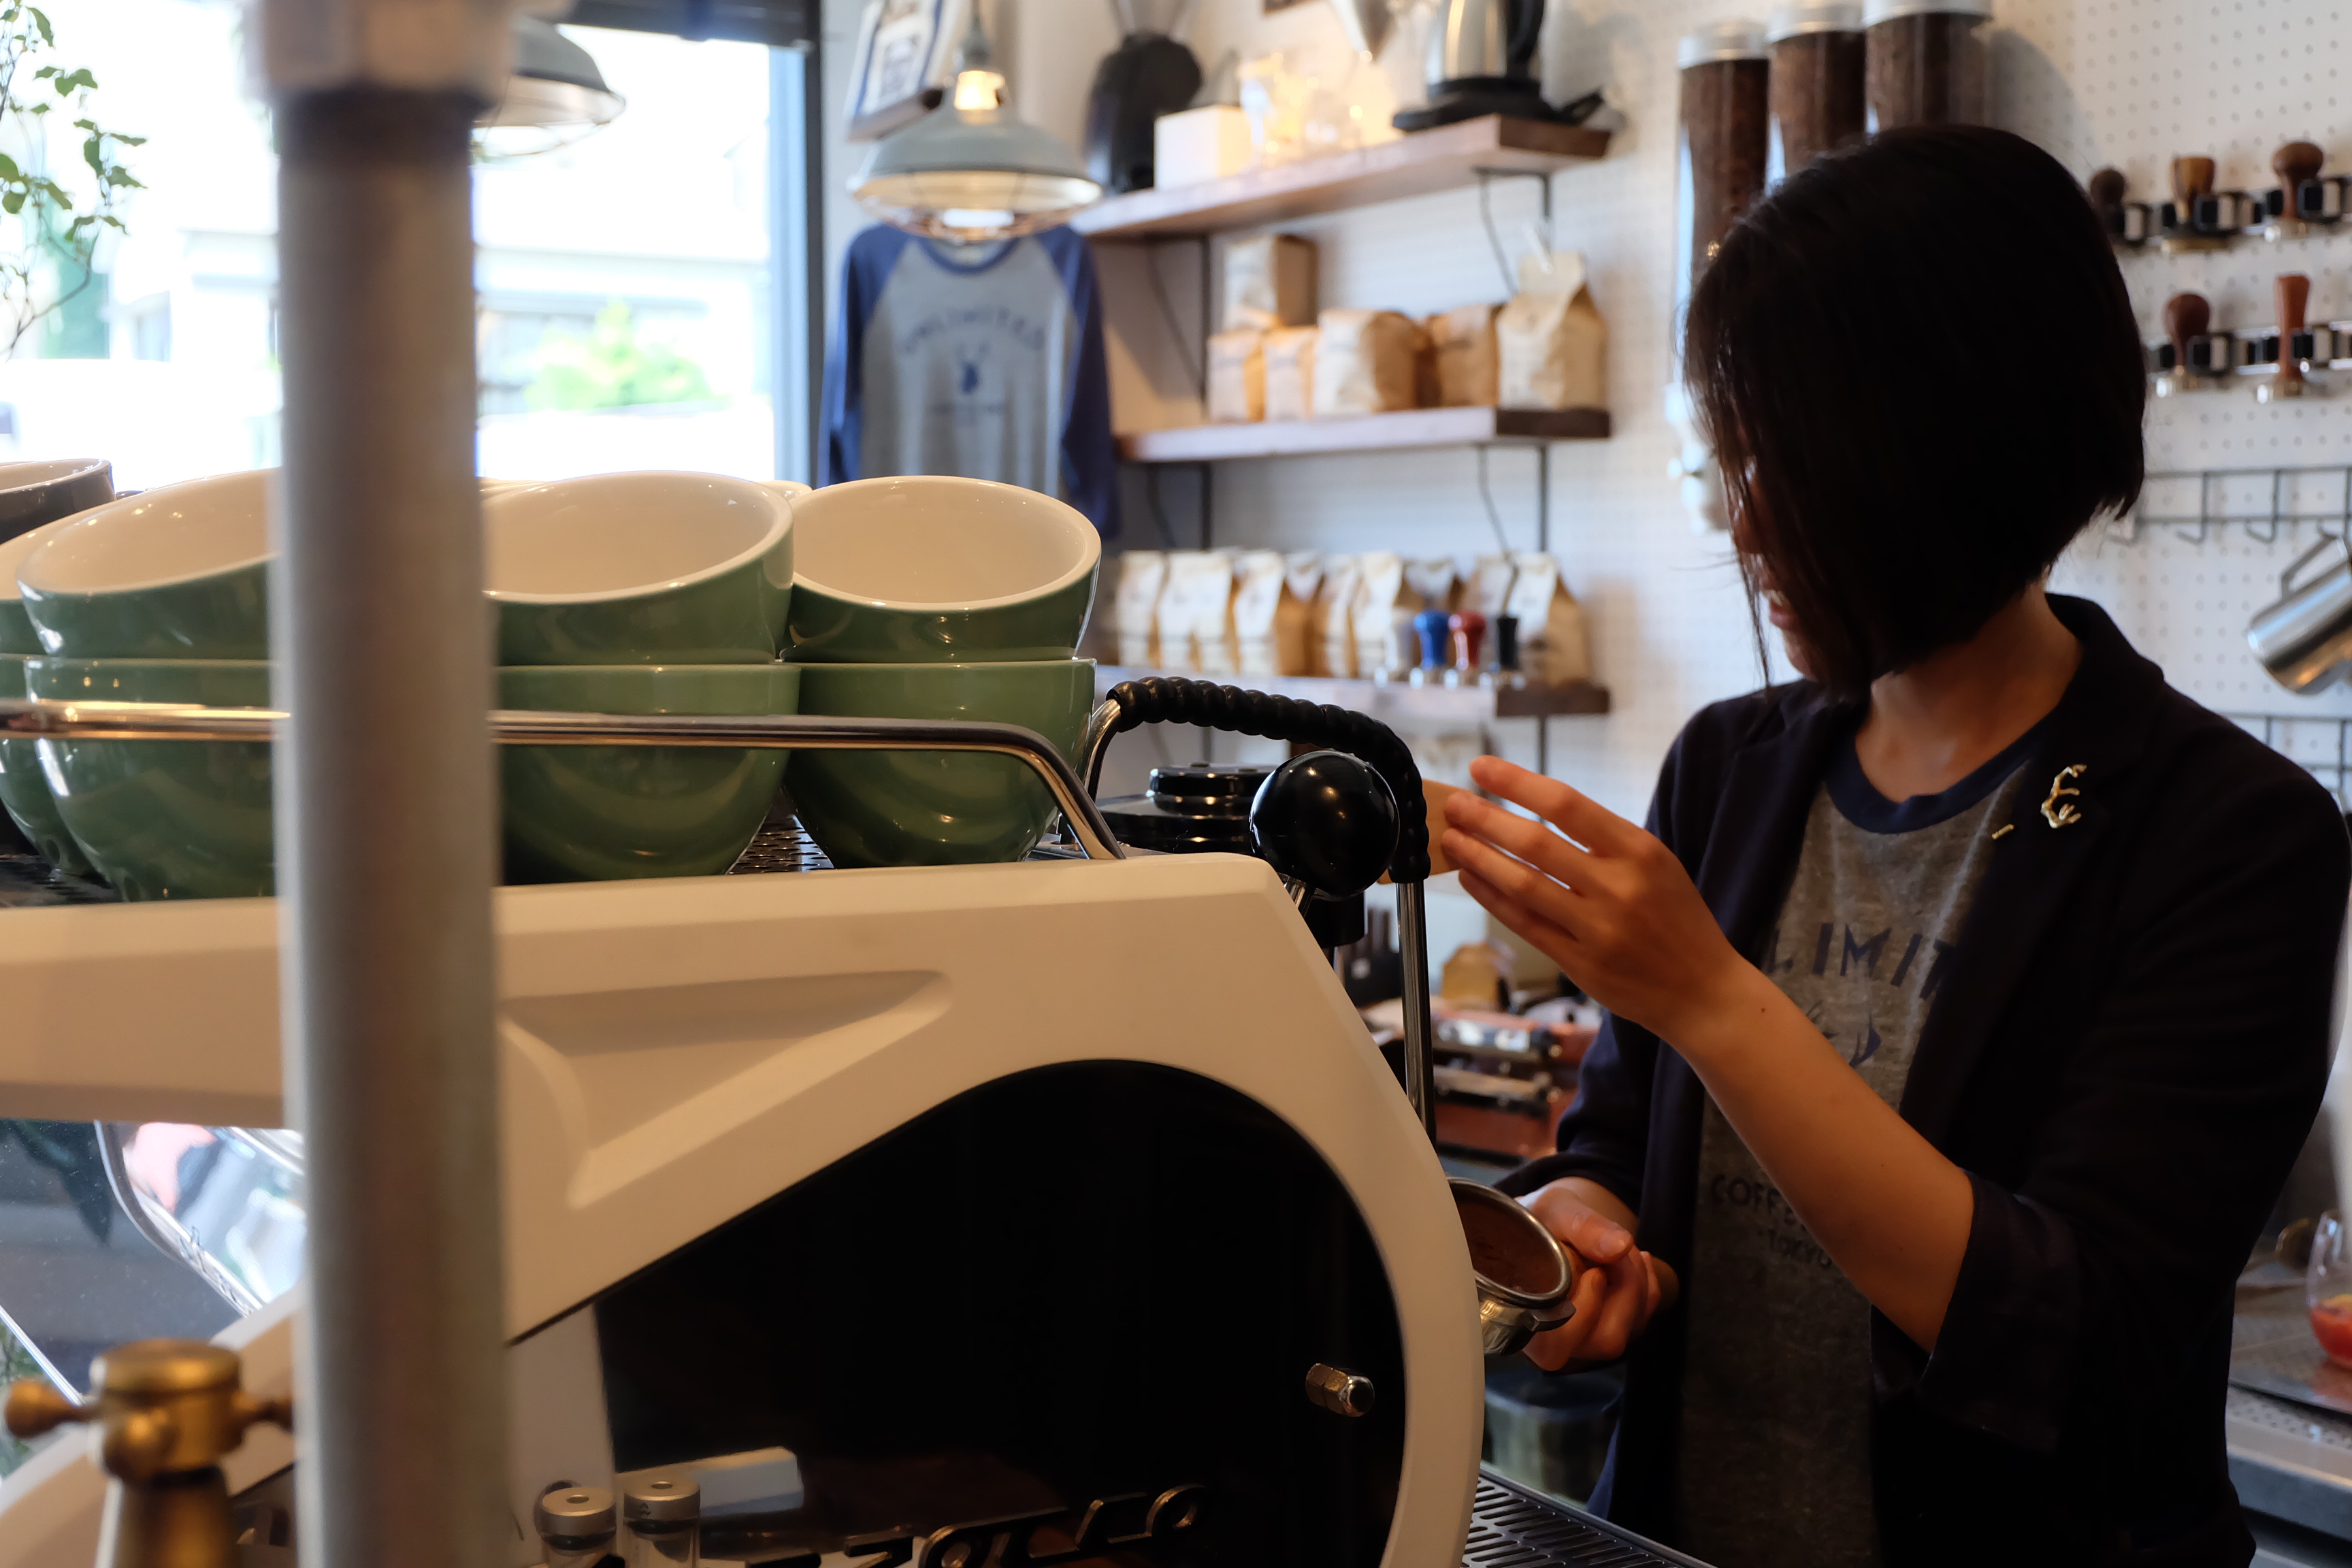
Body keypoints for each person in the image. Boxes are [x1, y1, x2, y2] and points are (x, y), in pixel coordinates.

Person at [1441, 125, 2352, 1568]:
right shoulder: (1730, 769)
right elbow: (1619, 1134)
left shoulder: (2230, 835)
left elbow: (2081, 1332)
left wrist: (1712, 997)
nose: (1747, 524)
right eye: (1738, 461)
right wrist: (1579, 1231)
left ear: (1950, 454)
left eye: (1789, 465)